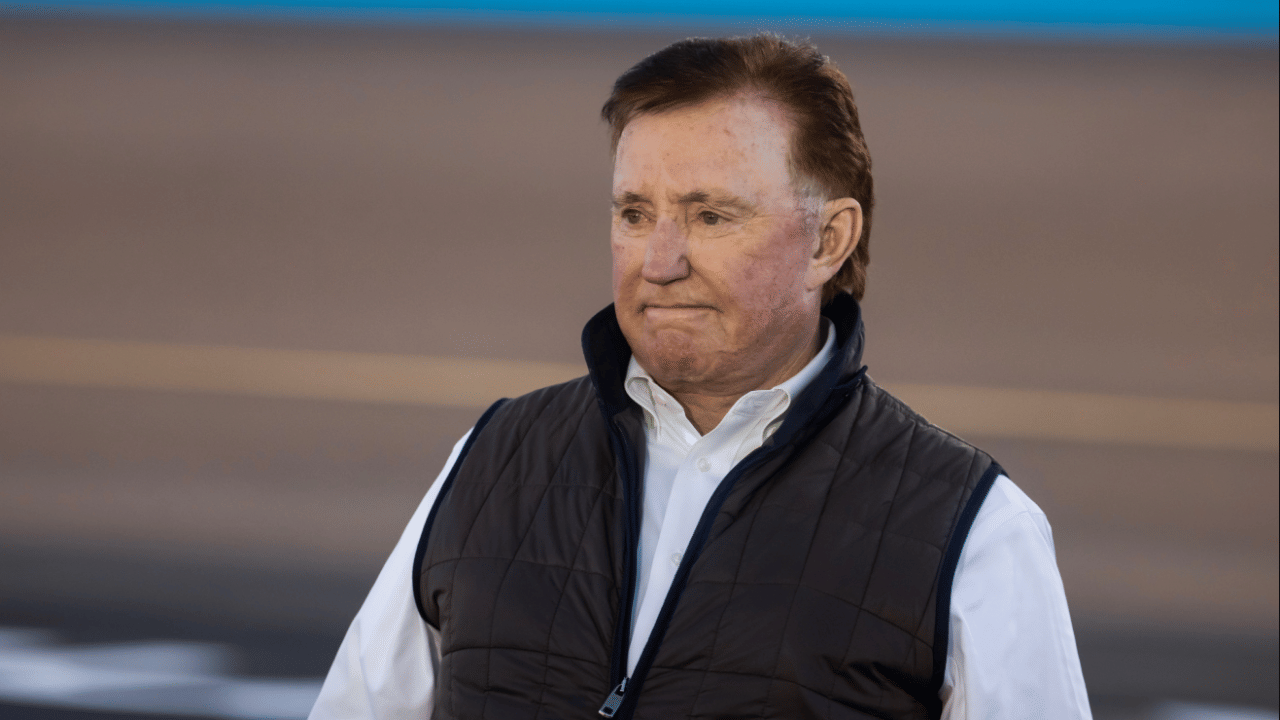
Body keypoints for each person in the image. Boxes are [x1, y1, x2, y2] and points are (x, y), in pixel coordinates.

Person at [310, 35, 1091, 719]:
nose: (660, 262)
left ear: (829, 240)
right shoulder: (493, 459)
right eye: (634, 213)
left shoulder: (975, 530)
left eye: (710, 215)